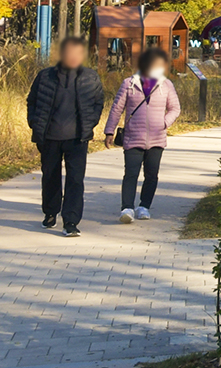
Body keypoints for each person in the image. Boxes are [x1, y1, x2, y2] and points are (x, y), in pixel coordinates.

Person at [25, 37, 107, 236]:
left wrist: (91, 122)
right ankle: (50, 212)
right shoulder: (45, 76)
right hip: (49, 137)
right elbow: (32, 101)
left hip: (77, 138)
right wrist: (35, 123)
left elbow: (99, 102)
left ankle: (71, 221)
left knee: (75, 180)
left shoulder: (90, 77)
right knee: (50, 177)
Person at [106, 47, 183, 223]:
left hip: (157, 139)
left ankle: (144, 206)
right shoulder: (129, 83)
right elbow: (117, 108)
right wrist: (109, 130)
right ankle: (127, 208)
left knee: (151, 175)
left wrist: (164, 123)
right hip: (133, 137)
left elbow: (175, 108)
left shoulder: (166, 85)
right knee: (130, 174)